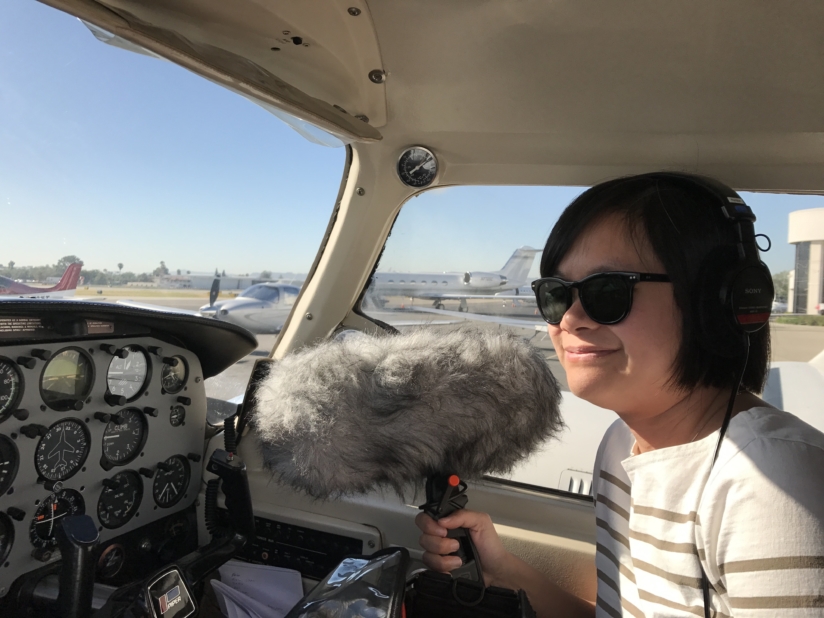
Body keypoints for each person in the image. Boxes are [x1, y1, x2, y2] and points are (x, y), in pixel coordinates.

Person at [416, 173, 824, 617]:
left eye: (608, 292)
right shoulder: (620, 445)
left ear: (712, 303)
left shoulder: (772, 484)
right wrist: (502, 571)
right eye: (556, 294)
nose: (569, 319)